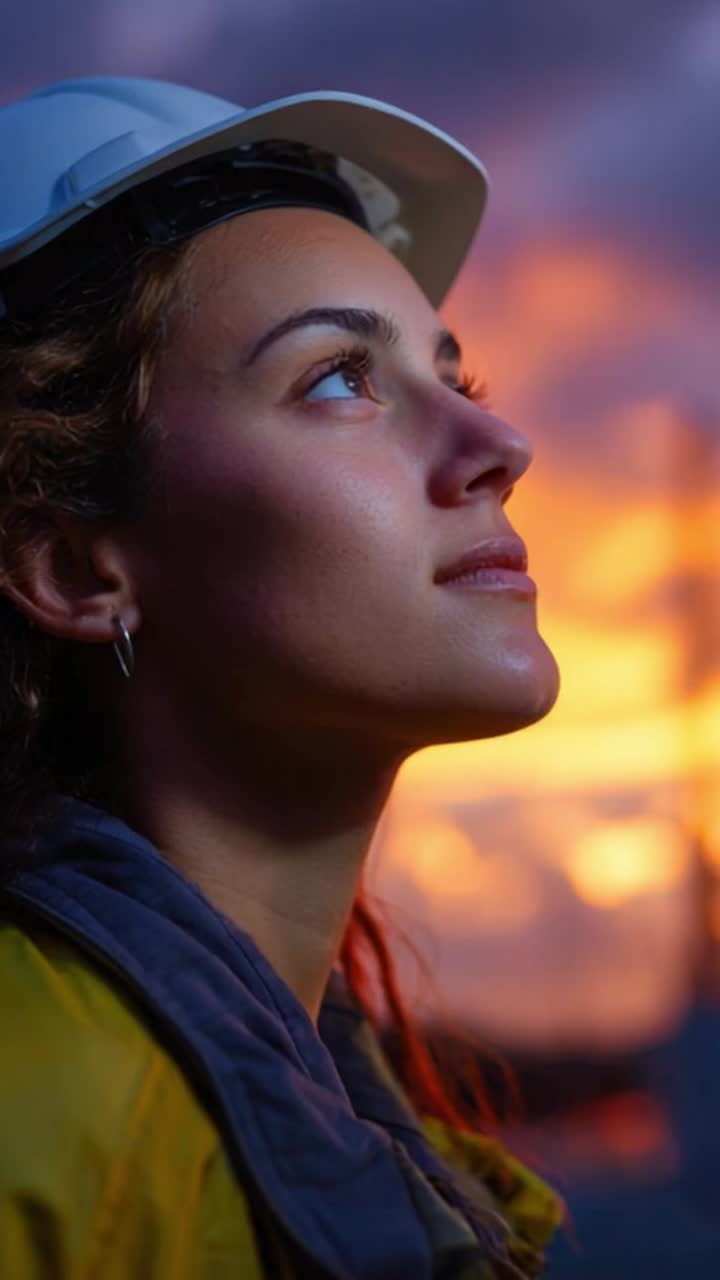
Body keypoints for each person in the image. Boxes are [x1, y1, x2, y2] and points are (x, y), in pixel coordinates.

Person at [0, 76, 562, 1278]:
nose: (499, 450)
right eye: (337, 379)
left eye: (449, 377)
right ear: (74, 567)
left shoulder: (357, 1150)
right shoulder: (42, 1123)